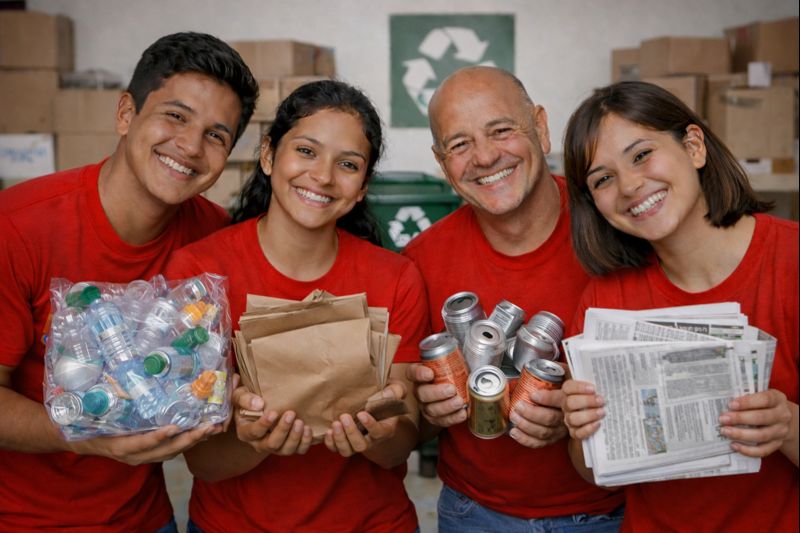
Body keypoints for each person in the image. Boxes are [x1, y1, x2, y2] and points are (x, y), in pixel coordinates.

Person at [0, 32, 258, 532]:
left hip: (145, 518)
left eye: (216, 135)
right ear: (125, 114)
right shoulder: (19, 226)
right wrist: (81, 433)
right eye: (175, 116)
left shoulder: (216, 239)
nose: (189, 146)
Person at [163, 79, 429, 533]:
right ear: (268, 156)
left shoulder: (395, 278)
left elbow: (400, 445)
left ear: (362, 186)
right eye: (306, 151)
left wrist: (376, 434)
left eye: (347, 164)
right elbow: (203, 462)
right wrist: (254, 441)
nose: (323, 176)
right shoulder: (200, 271)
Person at [561, 81, 798, 532]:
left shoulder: (790, 260)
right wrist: (582, 431)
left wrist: (786, 424)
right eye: (603, 179)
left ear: (693, 146)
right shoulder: (606, 299)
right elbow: (592, 474)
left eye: (641, 154)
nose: (630, 185)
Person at [402, 66, 624, 531]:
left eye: (501, 130)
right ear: (442, 163)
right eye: (459, 144)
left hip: (608, 512)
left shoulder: (617, 232)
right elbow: (409, 423)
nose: (484, 156)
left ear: (541, 128)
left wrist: (574, 417)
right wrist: (426, 409)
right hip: (473, 514)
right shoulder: (421, 260)